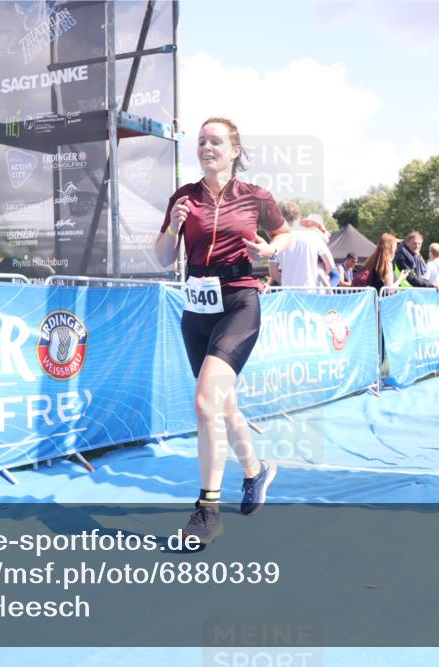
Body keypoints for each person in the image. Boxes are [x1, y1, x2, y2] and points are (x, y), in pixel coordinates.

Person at [154, 117, 291, 543]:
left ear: (234, 150)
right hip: (196, 307)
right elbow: (161, 257)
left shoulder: (255, 197)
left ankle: (207, 510)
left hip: (238, 300)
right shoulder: (183, 198)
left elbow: (285, 233)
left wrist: (269, 248)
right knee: (222, 406)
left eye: (215, 141)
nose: (206, 147)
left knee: (203, 402)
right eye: (201, 141)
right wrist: (174, 226)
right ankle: (256, 470)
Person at [269, 204, 333, 288]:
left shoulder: (276, 240)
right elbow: (330, 265)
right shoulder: (314, 235)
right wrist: (318, 277)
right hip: (311, 292)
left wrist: (287, 281)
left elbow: (273, 274)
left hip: (289, 294)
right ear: (299, 216)